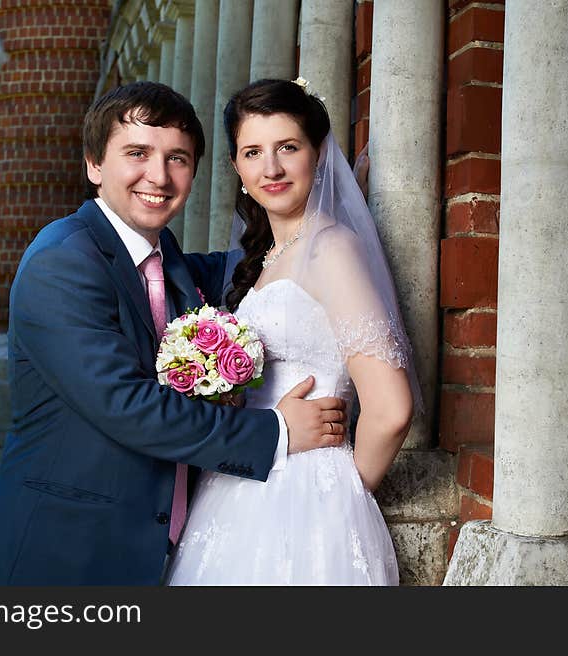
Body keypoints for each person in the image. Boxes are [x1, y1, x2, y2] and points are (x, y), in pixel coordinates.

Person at [0, 82, 348, 586]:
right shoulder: (62, 261)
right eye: (137, 153)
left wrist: (335, 207)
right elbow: (128, 406)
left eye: (177, 158)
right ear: (94, 164)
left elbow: (274, 262)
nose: (158, 175)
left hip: (147, 562)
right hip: (46, 560)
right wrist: (278, 432)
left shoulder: (174, 266)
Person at [165, 78, 423, 586]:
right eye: (253, 152)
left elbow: (392, 409)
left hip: (307, 495)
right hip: (242, 478)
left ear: (319, 153)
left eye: (288, 147)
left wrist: (343, 495)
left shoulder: (332, 248)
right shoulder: (265, 258)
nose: (272, 168)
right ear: (237, 168)